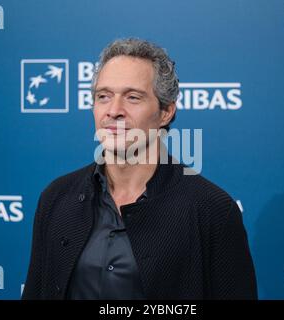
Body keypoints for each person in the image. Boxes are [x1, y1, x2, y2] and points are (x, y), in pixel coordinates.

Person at [22, 38, 257, 300]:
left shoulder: (212, 210)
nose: (114, 110)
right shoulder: (57, 197)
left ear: (166, 111)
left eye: (132, 97)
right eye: (104, 96)